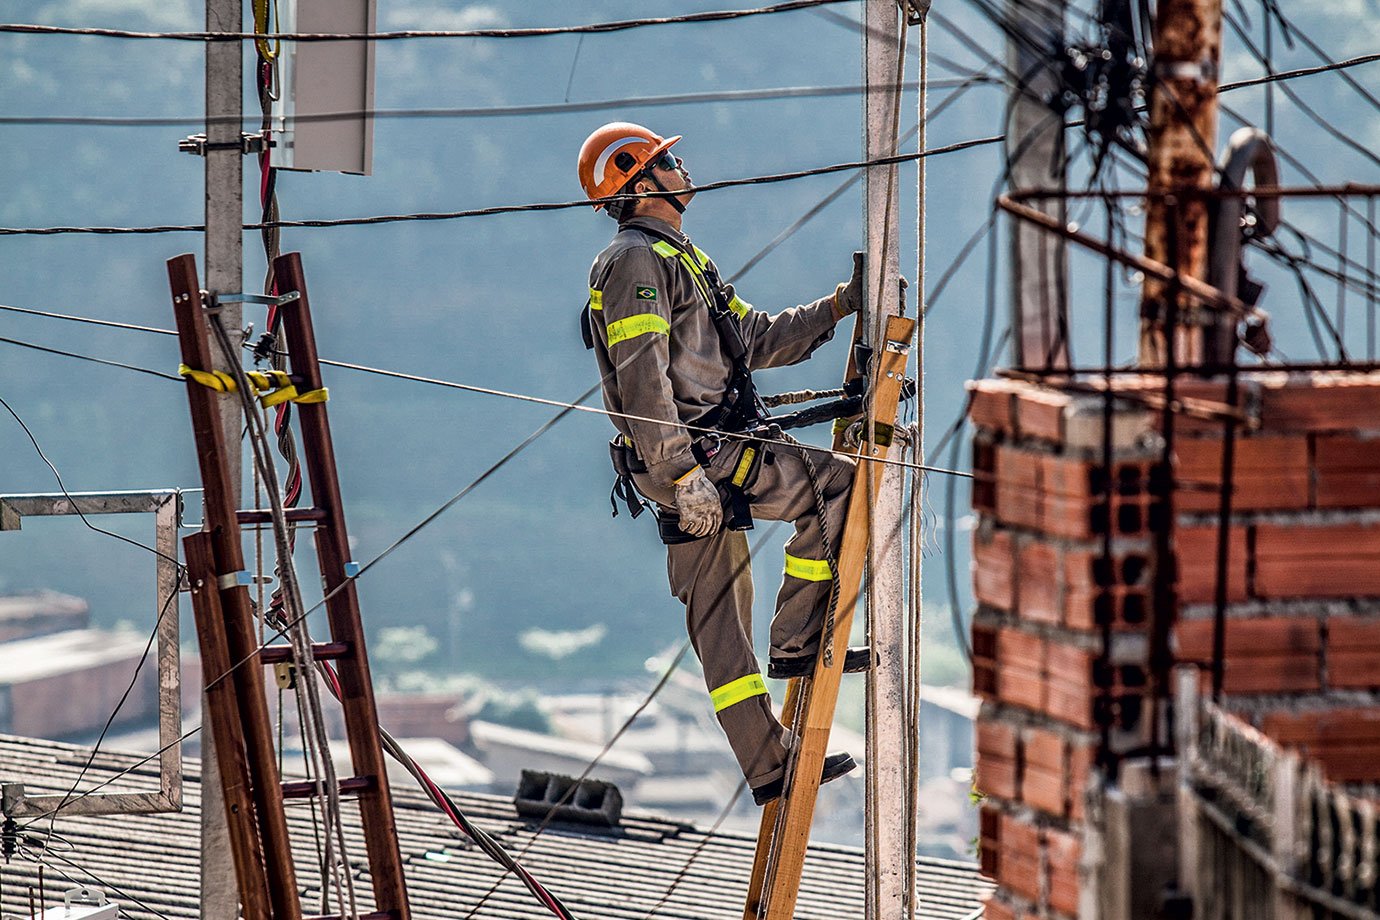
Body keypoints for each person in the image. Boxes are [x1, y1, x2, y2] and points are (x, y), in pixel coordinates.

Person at [577, 122, 871, 805]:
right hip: (694, 457)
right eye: (668, 161)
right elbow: (643, 377)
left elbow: (754, 338)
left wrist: (837, 307)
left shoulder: (682, 261)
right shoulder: (635, 264)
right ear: (640, 183)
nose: (683, 167)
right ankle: (799, 637)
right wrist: (682, 473)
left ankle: (770, 763)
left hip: (696, 458)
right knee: (839, 484)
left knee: (719, 620)